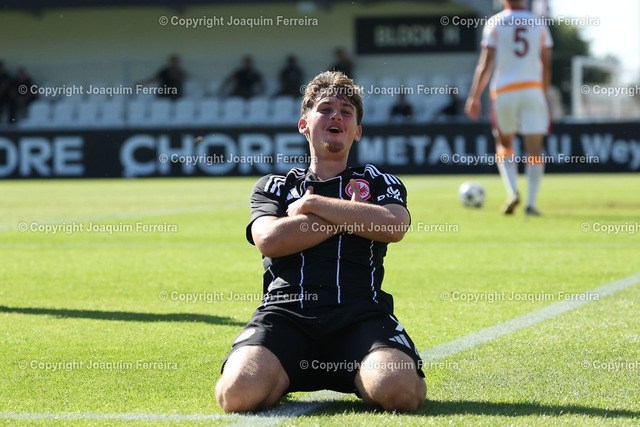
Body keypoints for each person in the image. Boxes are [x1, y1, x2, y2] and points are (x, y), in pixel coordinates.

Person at [215, 71, 426, 413]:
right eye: (325, 109)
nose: (336, 116)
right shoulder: (275, 186)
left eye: (346, 112)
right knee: (237, 394)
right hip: (285, 313)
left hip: (360, 314)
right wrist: (353, 215)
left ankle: (366, 371)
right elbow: (270, 239)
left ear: (357, 131)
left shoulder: (377, 181)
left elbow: (393, 226)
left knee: (399, 392)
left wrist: (314, 205)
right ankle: (282, 372)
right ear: (304, 125)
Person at [464, 0, 552, 215]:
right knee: (534, 150)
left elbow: (485, 64)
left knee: (504, 144)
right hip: (532, 89)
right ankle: (531, 204)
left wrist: (474, 96)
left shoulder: (495, 23)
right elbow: (547, 65)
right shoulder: (538, 23)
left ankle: (512, 192)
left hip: (504, 91)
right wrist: (542, 94)